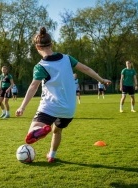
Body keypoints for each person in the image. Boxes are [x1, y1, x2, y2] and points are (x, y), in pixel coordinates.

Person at [15, 27, 111, 163]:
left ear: (37, 47)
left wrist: (22, 107)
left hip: (49, 106)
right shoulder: (67, 59)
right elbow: (86, 69)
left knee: (32, 132)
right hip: (68, 109)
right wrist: (101, 80)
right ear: (52, 44)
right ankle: (52, 155)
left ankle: (39, 129)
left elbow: (33, 86)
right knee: (57, 131)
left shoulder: (41, 66)